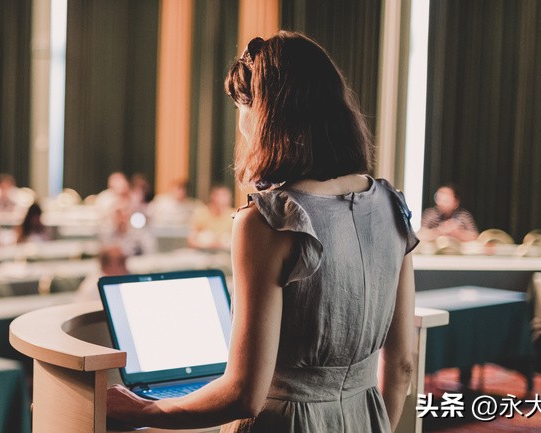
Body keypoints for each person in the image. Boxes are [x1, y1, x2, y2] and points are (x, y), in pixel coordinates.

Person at [106, 31, 419, 432]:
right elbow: (403, 363)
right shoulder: (394, 205)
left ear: (265, 114)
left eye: (243, 106)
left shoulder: (268, 220)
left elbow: (244, 393)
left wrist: (145, 412)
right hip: (366, 416)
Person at [188, 185, 235, 249]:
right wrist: (208, 245)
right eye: (218, 196)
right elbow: (191, 241)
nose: (221, 199)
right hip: (203, 252)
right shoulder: (201, 213)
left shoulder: (234, 215)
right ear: (212, 197)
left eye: (225, 196)